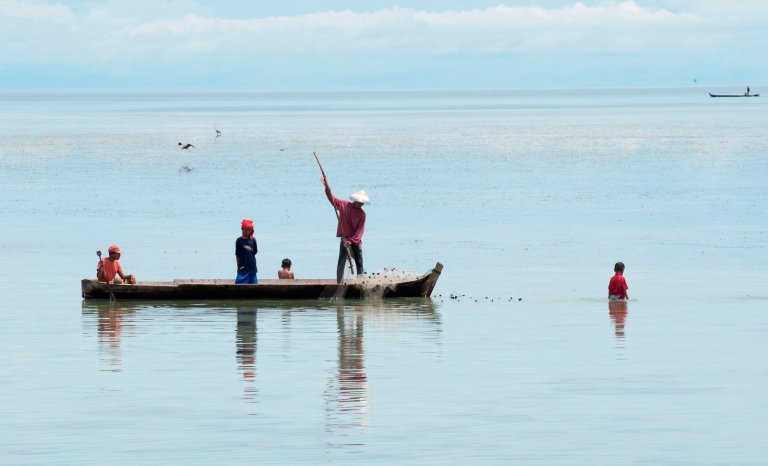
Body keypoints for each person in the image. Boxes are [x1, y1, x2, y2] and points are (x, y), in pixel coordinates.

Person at [322, 176, 368, 283]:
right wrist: (327, 187)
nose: (361, 204)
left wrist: (351, 241)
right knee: (341, 262)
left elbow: (359, 232)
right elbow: (332, 199)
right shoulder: (344, 205)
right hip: (344, 239)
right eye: (360, 201)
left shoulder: (362, 214)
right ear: (355, 200)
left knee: (359, 263)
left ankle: (360, 282)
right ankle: (339, 283)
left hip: (355, 242)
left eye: (363, 202)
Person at [235, 219, 258, 284]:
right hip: (243, 268)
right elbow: (237, 255)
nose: (248, 232)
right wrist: (238, 267)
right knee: (240, 284)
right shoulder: (239, 241)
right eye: (246, 230)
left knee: (253, 285)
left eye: (249, 230)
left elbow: (255, 252)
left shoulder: (253, 240)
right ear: (242, 229)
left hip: (252, 268)